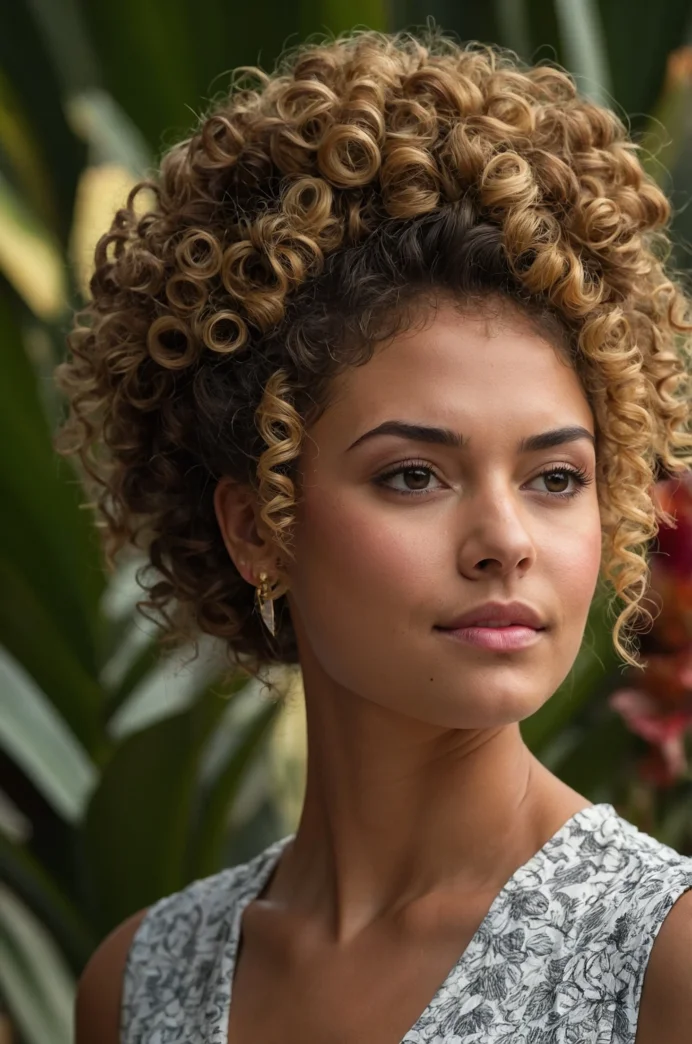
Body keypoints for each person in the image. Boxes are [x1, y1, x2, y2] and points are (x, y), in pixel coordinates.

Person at [57, 27, 692, 1044]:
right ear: (256, 525)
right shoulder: (138, 986)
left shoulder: (662, 961)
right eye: (412, 475)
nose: (502, 541)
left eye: (553, 478)